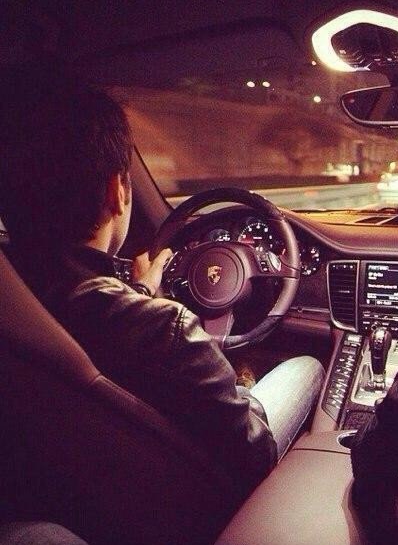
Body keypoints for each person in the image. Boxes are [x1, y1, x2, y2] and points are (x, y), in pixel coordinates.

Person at [0, 62, 324, 497]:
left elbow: (92, 316)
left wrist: (140, 292)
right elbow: (254, 450)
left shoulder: (17, 298)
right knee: (306, 367)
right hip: (189, 495)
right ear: (117, 191)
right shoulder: (165, 328)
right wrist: (240, 385)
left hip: (71, 488)